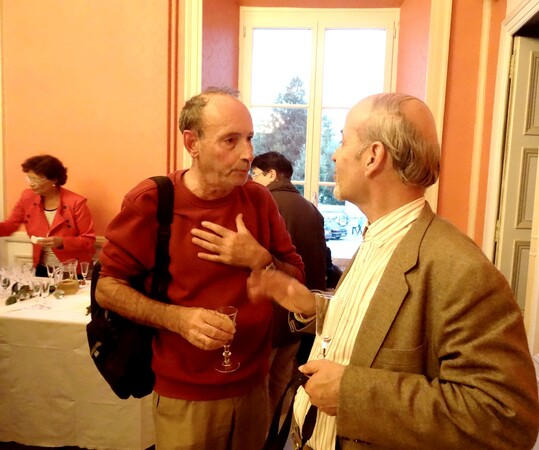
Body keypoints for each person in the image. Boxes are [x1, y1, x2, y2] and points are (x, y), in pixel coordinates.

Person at [248, 93, 539, 449]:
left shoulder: (461, 270)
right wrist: (315, 307)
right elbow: (379, 324)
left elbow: (505, 419)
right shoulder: (377, 236)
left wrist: (350, 392)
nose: (334, 155)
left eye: (342, 142)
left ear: (373, 156)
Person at [95, 87, 304, 450]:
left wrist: (259, 260)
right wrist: (178, 319)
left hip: (254, 386)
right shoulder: (153, 201)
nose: (248, 154)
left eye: (250, 139)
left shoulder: (259, 199)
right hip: (185, 395)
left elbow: (300, 280)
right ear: (192, 143)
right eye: (231, 140)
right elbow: (107, 289)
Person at [250, 151, 327, 415]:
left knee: (258, 394)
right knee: (282, 390)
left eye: (255, 174)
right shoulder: (311, 209)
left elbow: (257, 262)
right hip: (299, 319)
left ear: (271, 175)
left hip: (269, 315)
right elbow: (321, 262)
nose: (252, 180)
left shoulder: (264, 204)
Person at [0, 154, 95, 277]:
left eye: (36, 180)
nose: (31, 184)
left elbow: (88, 240)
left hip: (71, 270)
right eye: (29, 179)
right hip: (41, 268)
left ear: (54, 180)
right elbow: (10, 226)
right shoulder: (27, 197)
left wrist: (62, 242)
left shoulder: (76, 203)